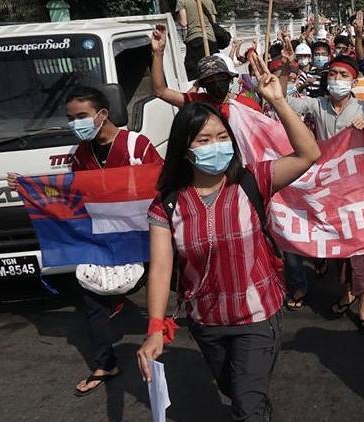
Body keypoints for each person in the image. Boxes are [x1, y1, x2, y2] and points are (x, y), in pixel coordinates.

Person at [137, 54, 321, 420]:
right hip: (206, 321)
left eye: (222, 137)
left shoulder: (253, 181)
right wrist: (155, 327)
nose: (215, 145)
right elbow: (160, 269)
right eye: (204, 140)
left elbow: (308, 153)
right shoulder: (167, 205)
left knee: (247, 406)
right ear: (185, 149)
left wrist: (279, 101)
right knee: (236, 390)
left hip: (257, 315)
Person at [8, 86, 163, 397]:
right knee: (92, 300)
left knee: (171, 284)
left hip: (142, 237)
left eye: (81, 116)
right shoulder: (80, 155)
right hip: (101, 239)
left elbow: (161, 184)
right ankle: (105, 363)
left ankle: (173, 338)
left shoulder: (137, 145)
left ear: (102, 114)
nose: (74, 124)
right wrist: (29, 187)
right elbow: (72, 197)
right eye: (70, 118)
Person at [281, 54, 364, 333]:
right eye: (333, 74)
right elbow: (284, 102)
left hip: (357, 189)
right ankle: (346, 291)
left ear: (352, 80)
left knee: (360, 252)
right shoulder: (317, 104)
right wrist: (288, 70)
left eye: (343, 75)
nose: (337, 79)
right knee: (338, 248)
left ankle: (363, 306)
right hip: (328, 189)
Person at [151, 25, 261, 115]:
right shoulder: (199, 104)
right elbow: (160, 91)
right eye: (210, 80)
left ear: (229, 78)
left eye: (221, 77)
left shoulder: (248, 106)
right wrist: (158, 53)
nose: (216, 82)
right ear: (203, 84)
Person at [175, 0, 218, 80]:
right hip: (211, 39)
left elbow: (184, 22)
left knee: (193, 74)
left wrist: (178, 18)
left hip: (194, 38)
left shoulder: (182, 1)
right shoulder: (209, 1)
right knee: (213, 72)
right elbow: (213, 21)